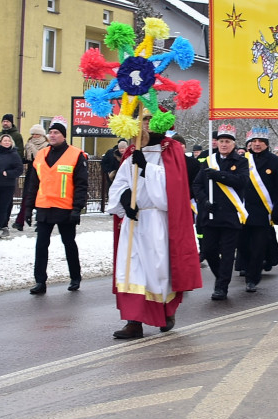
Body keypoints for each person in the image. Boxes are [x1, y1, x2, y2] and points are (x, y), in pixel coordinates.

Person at [107, 110, 201, 338]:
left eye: (149, 120)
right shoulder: (131, 153)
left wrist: (147, 168)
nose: (145, 125)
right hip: (134, 222)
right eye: (142, 121)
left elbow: (174, 187)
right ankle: (134, 321)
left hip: (158, 220)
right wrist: (124, 199)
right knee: (131, 270)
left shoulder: (171, 150)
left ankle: (165, 311)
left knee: (158, 270)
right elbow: (119, 184)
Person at [24, 117, 87, 293]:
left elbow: (82, 185)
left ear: (64, 136)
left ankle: (75, 277)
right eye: (50, 132)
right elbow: (33, 184)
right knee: (41, 245)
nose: (52, 135)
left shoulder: (76, 155)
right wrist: (28, 209)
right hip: (44, 207)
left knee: (68, 243)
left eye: (56, 132)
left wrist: (77, 209)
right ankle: (40, 282)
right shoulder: (41, 155)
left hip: (66, 208)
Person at [194, 125, 249, 300]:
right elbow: (197, 185)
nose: (224, 144)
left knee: (227, 253)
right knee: (209, 251)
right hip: (210, 215)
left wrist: (218, 175)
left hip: (230, 215)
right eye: (221, 141)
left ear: (233, 143)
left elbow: (242, 182)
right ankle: (221, 277)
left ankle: (221, 287)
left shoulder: (241, 162)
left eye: (227, 141)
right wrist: (204, 202)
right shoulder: (209, 161)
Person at [237, 129, 278, 293]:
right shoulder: (242, 159)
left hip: (264, 212)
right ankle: (246, 269)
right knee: (243, 245)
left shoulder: (275, 162)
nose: (257, 144)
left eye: (261, 141)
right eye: (254, 141)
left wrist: (277, 212)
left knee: (258, 248)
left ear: (266, 143)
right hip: (243, 211)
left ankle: (252, 278)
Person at [0, 133, 24, 239]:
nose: (7, 142)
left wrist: (8, 173)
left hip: (7, 185)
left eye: (9, 141)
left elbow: (19, 169)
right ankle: (5, 228)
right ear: (0, 142)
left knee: (3, 206)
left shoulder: (14, 154)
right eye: (5, 141)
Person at [13, 124, 49, 230]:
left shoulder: (47, 146)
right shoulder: (29, 144)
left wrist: (33, 149)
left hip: (42, 173)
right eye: (33, 134)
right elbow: (28, 159)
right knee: (26, 197)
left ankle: (40, 222)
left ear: (41, 134)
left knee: (40, 197)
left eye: (36, 134)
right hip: (31, 173)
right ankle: (20, 221)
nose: (34, 136)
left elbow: (41, 158)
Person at [100, 138, 128, 209]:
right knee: (113, 191)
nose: (122, 150)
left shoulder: (129, 155)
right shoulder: (111, 153)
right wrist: (109, 172)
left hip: (125, 177)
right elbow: (104, 163)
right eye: (120, 148)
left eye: (123, 148)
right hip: (113, 176)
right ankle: (113, 207)